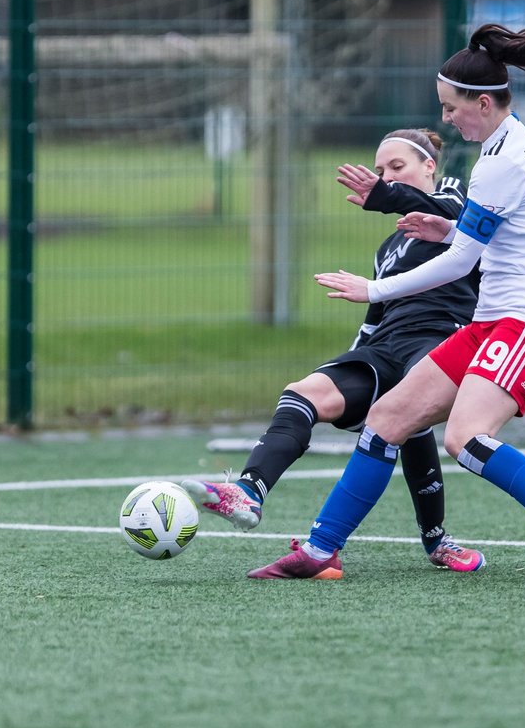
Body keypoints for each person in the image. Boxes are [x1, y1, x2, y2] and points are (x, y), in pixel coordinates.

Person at [248, 0, 525, 586]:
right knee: (387, 417)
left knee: (465, 440)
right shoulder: (503, 149)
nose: (447, 122)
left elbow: (459, 264)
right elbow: (485, 239)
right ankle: (320, 551)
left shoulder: (501, 163)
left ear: (485, 103)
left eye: (452, 109)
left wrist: (372, 287)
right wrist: (447, 226)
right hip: (494, 316)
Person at [182, 127, 486, 573]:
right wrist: (345, 373)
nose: (387, 177)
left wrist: (388, 194)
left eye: (397, 168)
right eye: (381, 170)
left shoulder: (456, 200)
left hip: (442, 336)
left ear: (429, 166)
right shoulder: (389, 247)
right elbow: (374, 317)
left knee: (408, 410)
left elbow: (449, 212)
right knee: (304, 392)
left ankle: (437, 540)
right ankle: (248, 491)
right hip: (385, 346)